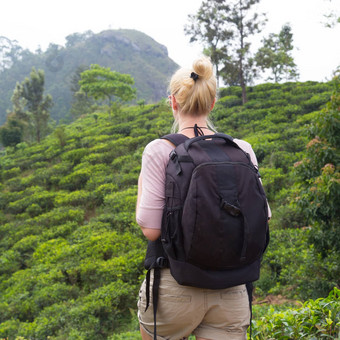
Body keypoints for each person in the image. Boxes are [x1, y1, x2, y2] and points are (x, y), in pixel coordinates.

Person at [136, 56, 271, 340]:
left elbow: (151, 230)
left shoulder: (159, 150)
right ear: (212, 103)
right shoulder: (242, 148)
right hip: (233, 289)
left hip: (175, 286)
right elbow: (263, 216)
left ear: (173, 102)